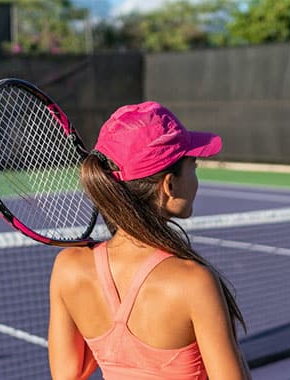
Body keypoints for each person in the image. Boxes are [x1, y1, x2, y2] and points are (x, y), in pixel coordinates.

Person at [48, 101, 250, 379]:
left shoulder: (67, 268)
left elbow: (68, 375)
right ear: (169, 185)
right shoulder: (194, 283)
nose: (196, 178)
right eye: (194, 165)